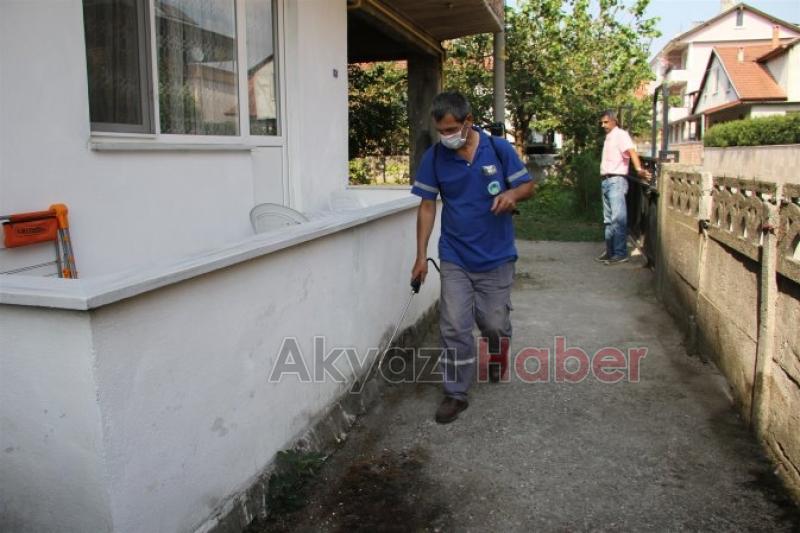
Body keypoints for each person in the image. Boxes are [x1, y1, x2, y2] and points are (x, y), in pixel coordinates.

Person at [410, 92, 535, 424]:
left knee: (493, 323)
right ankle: (455, 393)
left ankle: (498, 352)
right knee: (453, 325)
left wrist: (511, 193)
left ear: (468, 121)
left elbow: (528, 186)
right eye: (441, 131)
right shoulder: (435, 157)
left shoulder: (498, 149)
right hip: (455, 255)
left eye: (452, 129)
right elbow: (426, 206)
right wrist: (421, 256)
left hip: (496, 255)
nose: (446, 136)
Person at [596, 110, 651, 265]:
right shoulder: (609, 137)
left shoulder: (621, 135)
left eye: (606, 122)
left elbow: (631, 151)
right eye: (602, 122)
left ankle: (620, 253)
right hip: (606, 180)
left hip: (616, 180)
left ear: (615, 121)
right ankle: (611, 251)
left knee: (618, 219)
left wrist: (639, 169)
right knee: (608, 219)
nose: (603, 125)